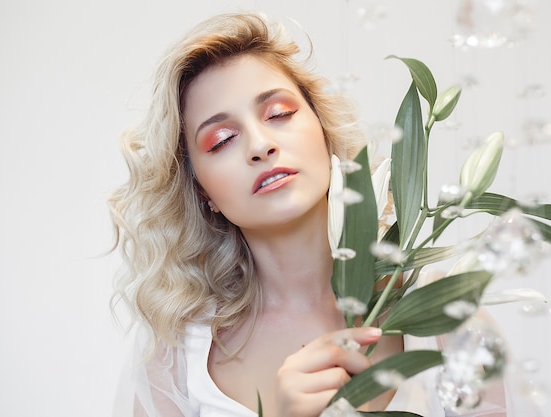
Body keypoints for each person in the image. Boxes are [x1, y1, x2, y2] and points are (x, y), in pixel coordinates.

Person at [109, 12, 508, 417]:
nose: (260, 145)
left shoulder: (448, 316)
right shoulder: (176, 355)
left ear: (323, 129)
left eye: (279, 113)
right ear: (202, 190)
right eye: (222, 139)